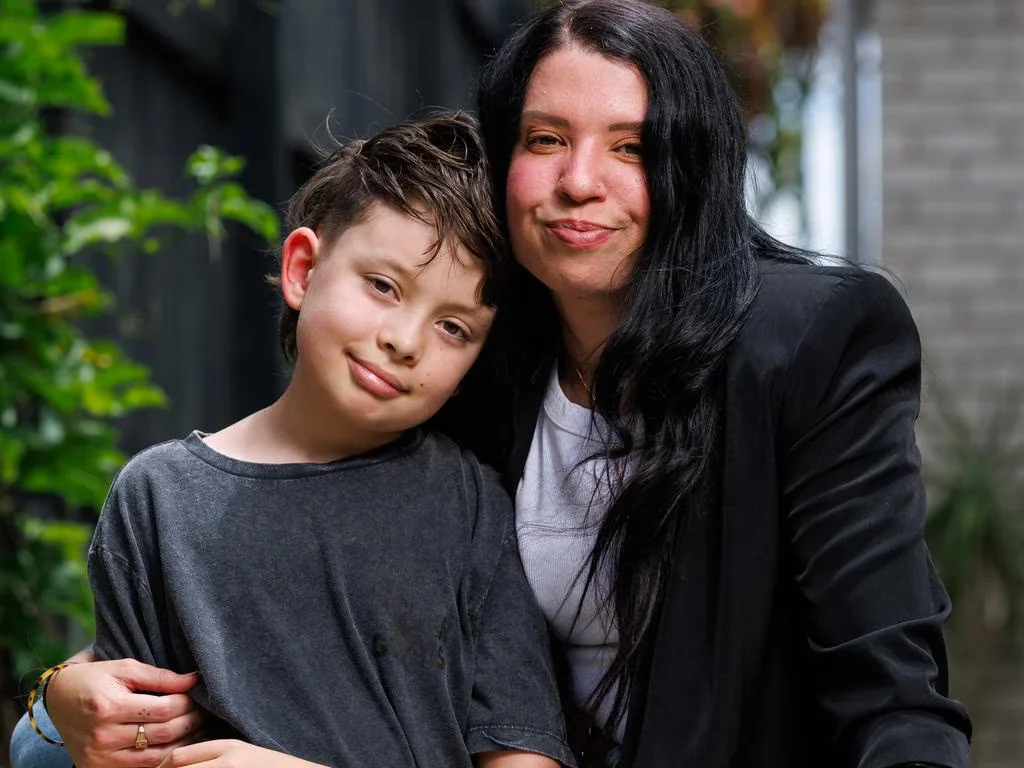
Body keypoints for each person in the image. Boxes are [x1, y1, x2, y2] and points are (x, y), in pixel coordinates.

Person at [14, 1, 973, 766]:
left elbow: (889, 687)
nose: (580, 181)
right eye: (546, 139)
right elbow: (268, 582)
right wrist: (54, 701)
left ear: (690, 167)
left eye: (631, 146)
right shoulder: (470, 362)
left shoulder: (806, 342)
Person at [11, 112, 573, 768]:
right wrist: (56, 703)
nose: (405, 340)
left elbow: (524, 751)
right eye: (384, 286)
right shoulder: (161, 501)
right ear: (303, 269)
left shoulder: (471, 507)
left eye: (453, 327)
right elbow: (115, 738)